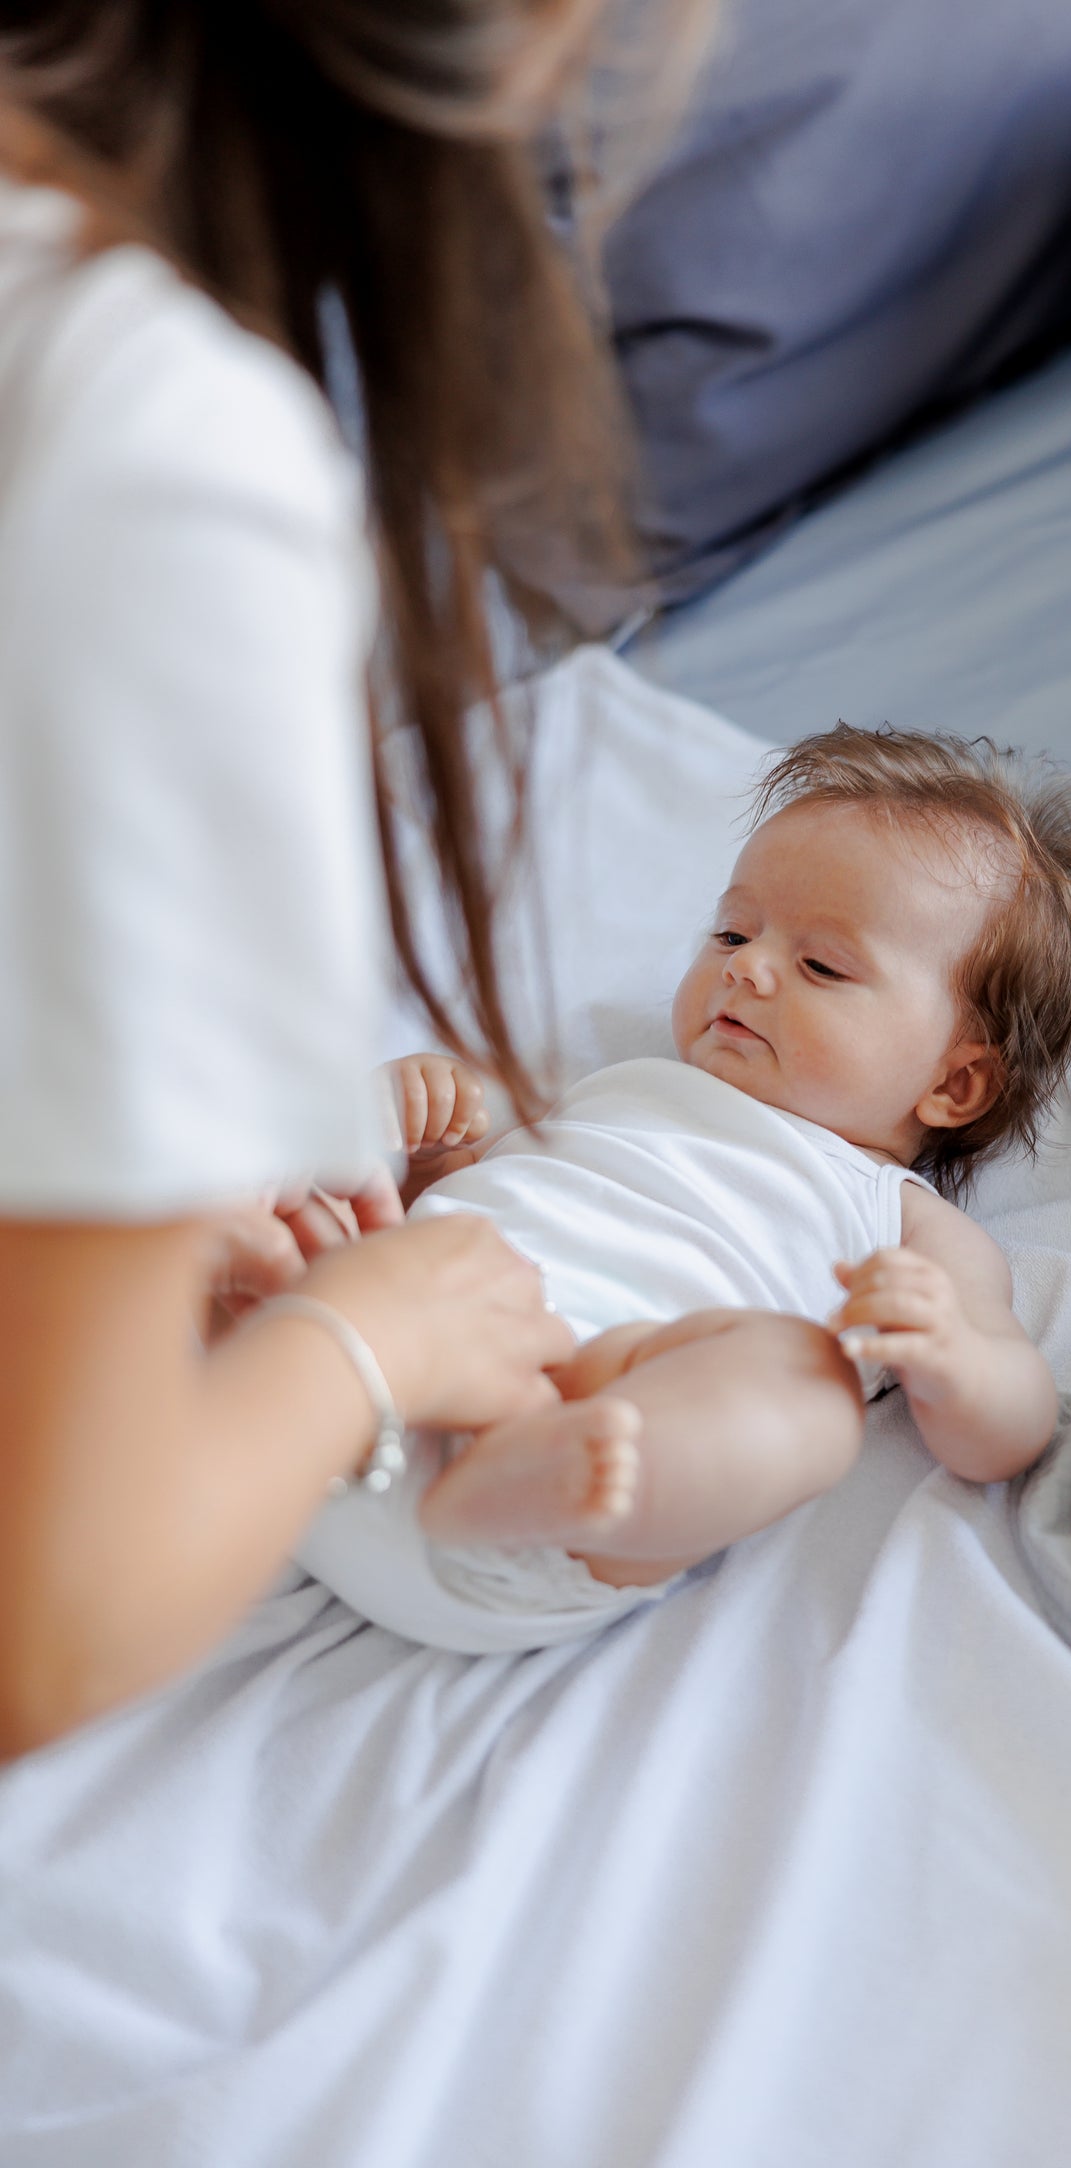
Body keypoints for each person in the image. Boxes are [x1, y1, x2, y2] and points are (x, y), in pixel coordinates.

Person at [0, 0, 707, 1759]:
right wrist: (353, 1348)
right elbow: (41, 1624)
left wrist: (99, 1195)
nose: (752, 975)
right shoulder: (147, 457)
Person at [299, 725, 1071, 1654]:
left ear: (954, 1084)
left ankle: (541, 1461)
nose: (746, 967)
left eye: (822, 966)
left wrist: (954, 1355)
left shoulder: (904, 1225)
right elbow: (476, 1198)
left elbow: (1009, 1429)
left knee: (804, 1392)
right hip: (349, 1379)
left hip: (558, 1488)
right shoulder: (615, 1091)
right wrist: (419, 1160)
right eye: (732, 931)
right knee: (291, 1204)